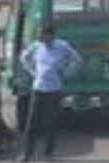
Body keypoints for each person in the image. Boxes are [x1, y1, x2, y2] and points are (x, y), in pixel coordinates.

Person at [18, 25, 81, 161]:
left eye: (46, 37)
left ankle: (49, 153)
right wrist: (32, 72)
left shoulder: (62, 46)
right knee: (31, 122)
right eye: (42, 37)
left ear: (52, 36)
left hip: (53, 90)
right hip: (38, 89)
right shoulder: (36, 46)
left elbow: (77, 59)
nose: (43, 40)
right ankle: (28, 154)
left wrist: (67, 73)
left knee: (50, 122)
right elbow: (23, 58)